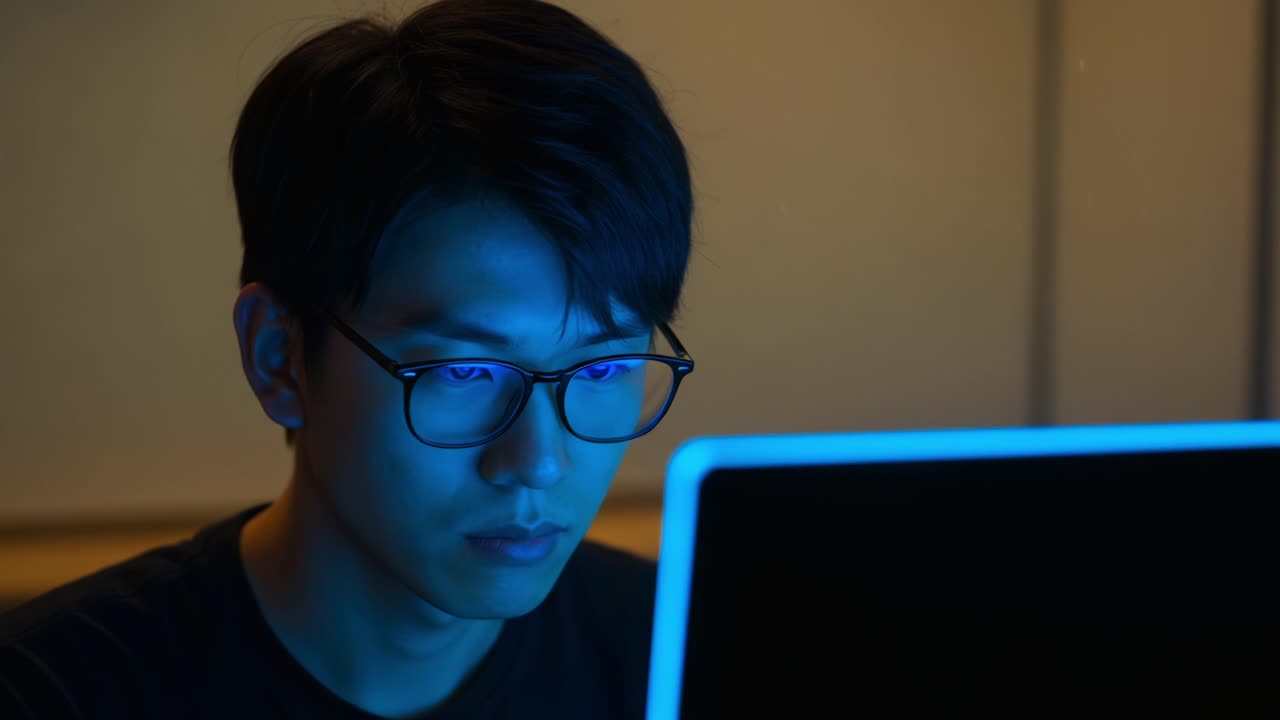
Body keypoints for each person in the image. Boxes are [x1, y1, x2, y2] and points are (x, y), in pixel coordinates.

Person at [0, 0, 695, 716]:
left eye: (601, 369)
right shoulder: (52, 693)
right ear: (278, 356)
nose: (539, 461)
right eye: (465, 371)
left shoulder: (687, 660)